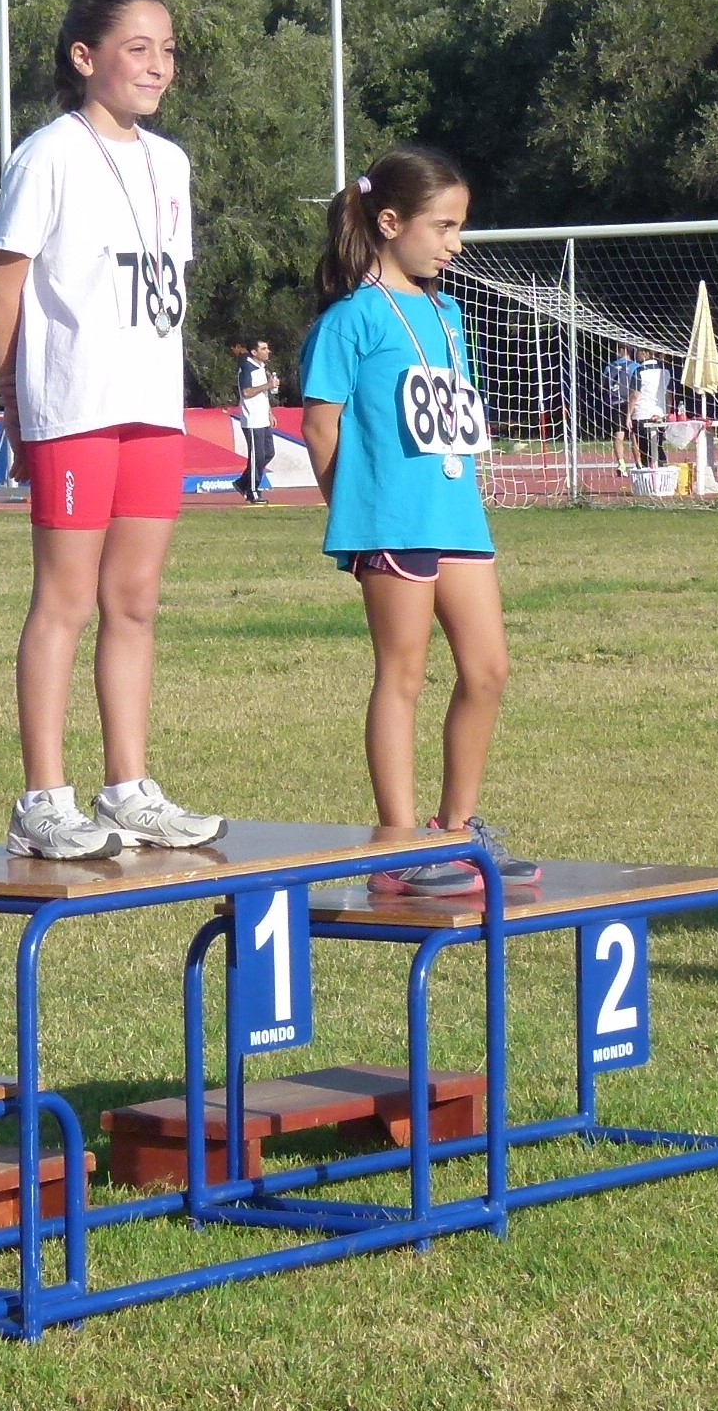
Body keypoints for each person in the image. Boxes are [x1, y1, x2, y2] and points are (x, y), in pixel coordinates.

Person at [0, 0, 226, 860]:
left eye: (168, 50)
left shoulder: (171, 162)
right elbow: (1, 289)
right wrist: (16, 404)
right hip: (73, 406)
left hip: (149, 406)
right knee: (65, 601)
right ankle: (41, 799)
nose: (157, 66)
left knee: (135, 600)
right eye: (137, 49)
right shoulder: (48, 154)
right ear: (85, 58)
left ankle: (128, 788)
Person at [299, 146, 540, 897]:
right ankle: (397, 847)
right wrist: (355, 510)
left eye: (459, 227)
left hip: (455, 514)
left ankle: (457, 830)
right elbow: (320, 426)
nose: (455, 244)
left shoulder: (447, 313)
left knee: (488, 669)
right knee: (401, 674)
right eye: (443, 227)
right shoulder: (350, 319)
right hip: (390, 523)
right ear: (389, 223)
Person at [234, 338, 278, 503]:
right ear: (254, 352)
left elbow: (264, 395)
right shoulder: (247, 367)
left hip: (262, 418)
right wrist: (267, 385)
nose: (267, 351)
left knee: (269, 453)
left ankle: (242, 482)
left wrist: (270, 413)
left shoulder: (262, 368)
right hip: (252, 419)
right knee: (257, 456)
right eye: (263, 349)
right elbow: (246, 392)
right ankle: (252, 491)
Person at [626, 347, 671, 471]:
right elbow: (669, 395)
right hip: (660, 414)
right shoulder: (665, 372)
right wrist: (667, 413)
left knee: (645, 449)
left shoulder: (639, 371)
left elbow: (635, 395)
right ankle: (661, 470)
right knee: (658, 445)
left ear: (645, 353)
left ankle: (651, 474)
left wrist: (629, 414)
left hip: (642, 414)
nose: (636, 355)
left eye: (638, 352)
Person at [606, 343, 639, 476]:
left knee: (619, 435)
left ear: (623, 350)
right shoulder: (635, 367)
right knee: (633, 434)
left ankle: (621, 464)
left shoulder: (610, 366)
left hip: (616, 402)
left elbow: (603, 384)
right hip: (631, 403)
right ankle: (639, 464)